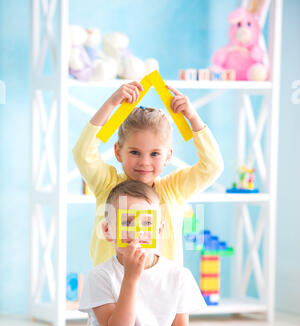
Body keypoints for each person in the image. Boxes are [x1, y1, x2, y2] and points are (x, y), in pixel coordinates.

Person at [78, 180, 251, 326]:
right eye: (127, 222)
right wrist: (131, 277)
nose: (137, 232)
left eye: (147, 223)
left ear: (159, 229)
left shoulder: (177, 274)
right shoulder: (100, 276)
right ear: (107, 230)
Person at [73, 80, 224, 267]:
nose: (144, 162)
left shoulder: (173, 189)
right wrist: (111, 104)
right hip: (112, 287)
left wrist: (193, 117)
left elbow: (212, 166)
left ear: (168, 156)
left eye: (155, 154)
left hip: (161, 289)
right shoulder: (107, 185)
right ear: (118, 152)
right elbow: (82, 153)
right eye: (135, 152)